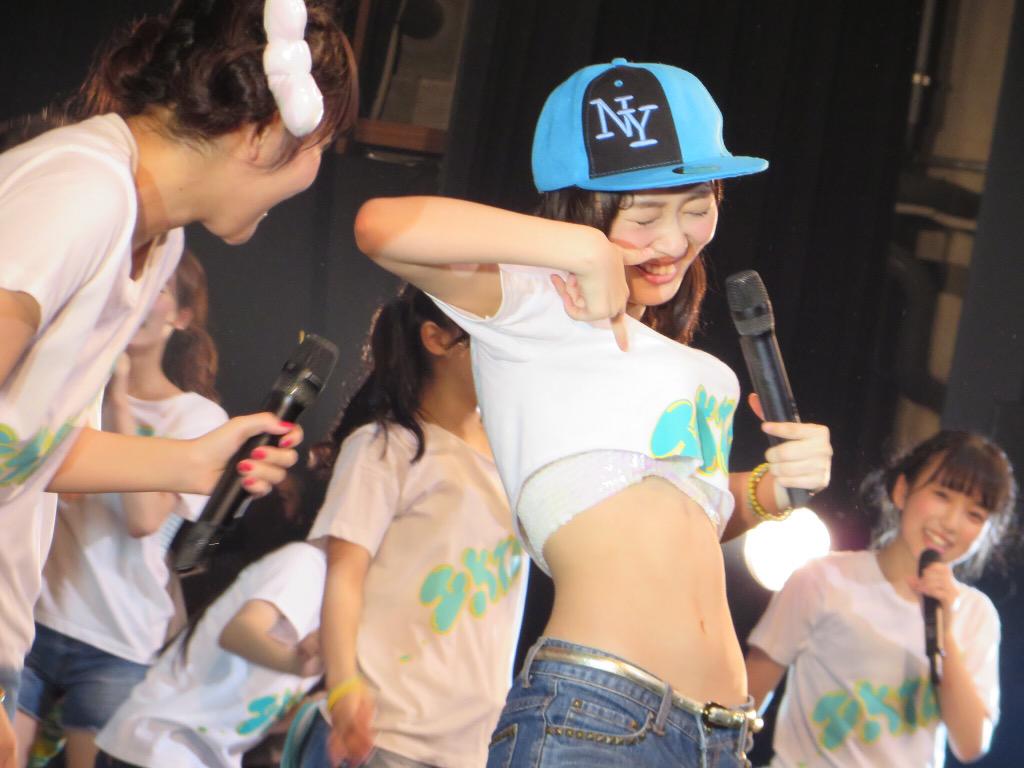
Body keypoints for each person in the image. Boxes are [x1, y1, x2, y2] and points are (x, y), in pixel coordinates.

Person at [353, 59, 833, 766]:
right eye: (643, 216)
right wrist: (577, 249)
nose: (674, 241)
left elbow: (681, 518)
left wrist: (771, 491)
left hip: (719, 736)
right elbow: (381, 226)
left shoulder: (691, 368)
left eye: (697, 206)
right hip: (600, 716)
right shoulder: (535, 304)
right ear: (580, 210)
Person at [0, 1, 357, 762]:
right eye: (321, 146)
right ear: (263, 132)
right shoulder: (83, 192)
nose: (317, 171)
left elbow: (22, 447)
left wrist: (191, 464)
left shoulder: (153, 238)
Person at [295, 286, 527, 768]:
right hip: (386, 735)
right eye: (492, 333)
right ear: (437, 339)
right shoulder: (386, 448)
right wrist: (344, 689)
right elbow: (343, 578)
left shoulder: (515, 458)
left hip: (473, 748)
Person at [13, 252, 228, 768]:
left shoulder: (199, 419)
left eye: (161, 290)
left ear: (181, 317)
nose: (142, 299)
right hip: (34, 616)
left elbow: (143, 519)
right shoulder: (70, 392)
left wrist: (120, 399)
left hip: (118, 638)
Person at [745, 430, 1016, 767]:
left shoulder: (975, 614)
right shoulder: (823, 579)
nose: (951, 522)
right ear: (902, 490)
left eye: (974, 515)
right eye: (942, 495)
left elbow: (971, 744)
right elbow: (747, 699)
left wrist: (946, 633)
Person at [93, 540, 327, 768]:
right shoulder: (306, 564)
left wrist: (309, 710)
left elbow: (262, 715)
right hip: (165, 743)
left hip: (199, 752)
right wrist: (300, 666)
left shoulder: (336, 611)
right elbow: (238, 633)